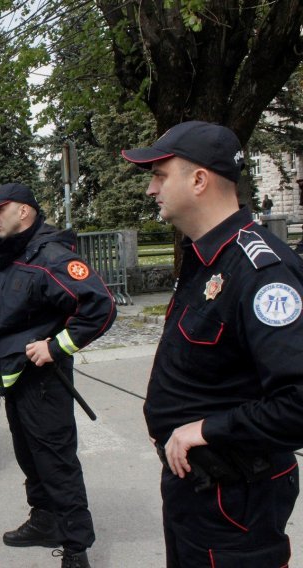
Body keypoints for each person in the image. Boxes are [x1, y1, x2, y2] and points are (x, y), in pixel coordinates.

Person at [121, 120, 303, 567]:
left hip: (235, 500)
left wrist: (203, 430)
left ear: (199, 179)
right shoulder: (206, 256)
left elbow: (298, 403)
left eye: (160, 174)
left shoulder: (262, 272)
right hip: (196, 490)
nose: (151, 189)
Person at [0, 183, 116, 568]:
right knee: (31, 458)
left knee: (56, 463)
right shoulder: (20, 252)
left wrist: (55, 347)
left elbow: (100, 307)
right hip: (18, 380)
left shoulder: (51, 255)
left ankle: (75, 549)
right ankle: (44, 522)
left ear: (24, 212)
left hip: (43, 383)